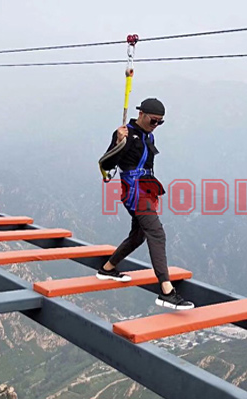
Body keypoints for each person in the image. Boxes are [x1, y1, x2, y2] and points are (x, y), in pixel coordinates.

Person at [96, 98, 194, 310]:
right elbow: (106, 163)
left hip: (146, 190)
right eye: (153, 120)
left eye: (160, 122)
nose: (156, 125)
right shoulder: (124, 133)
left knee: (139, 235)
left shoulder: (147, 135)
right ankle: (166, 291)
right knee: (156, 233)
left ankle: (107, 268)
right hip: (134, 191)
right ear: (141, 114)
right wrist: (118, 143)